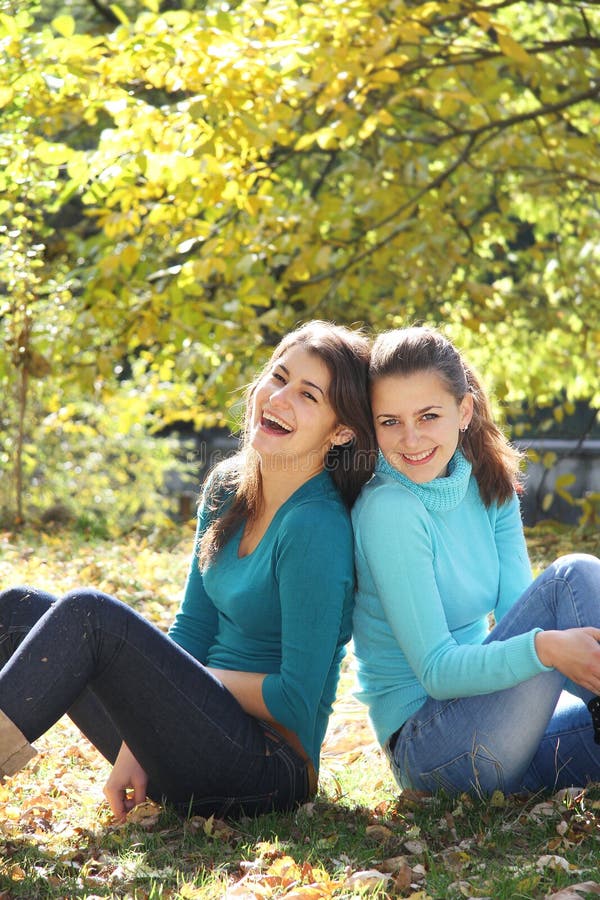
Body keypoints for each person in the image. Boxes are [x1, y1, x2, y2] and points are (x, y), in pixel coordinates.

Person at [0, 320, 376, 821]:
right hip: (190, 733)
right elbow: (193, 629)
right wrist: (140, 738)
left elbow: (294, 699)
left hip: (266, 768)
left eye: (308, 395)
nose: (279, 398)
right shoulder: (227, 487)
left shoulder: (316, 527)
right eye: (279, 377)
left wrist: (182, 683)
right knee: (18, 611)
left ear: (342, 430)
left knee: (88, 616)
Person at [352, 325, 600, 798]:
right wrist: (546, 650)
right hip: (431, 749)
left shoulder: (488, 484)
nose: (410, 438)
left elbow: (513, 619)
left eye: (428, 416)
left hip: (502, 728)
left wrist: (550, 657)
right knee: (574, 576)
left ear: (463, 410)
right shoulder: (389, 509)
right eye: (390, 422)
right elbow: (438, 672)